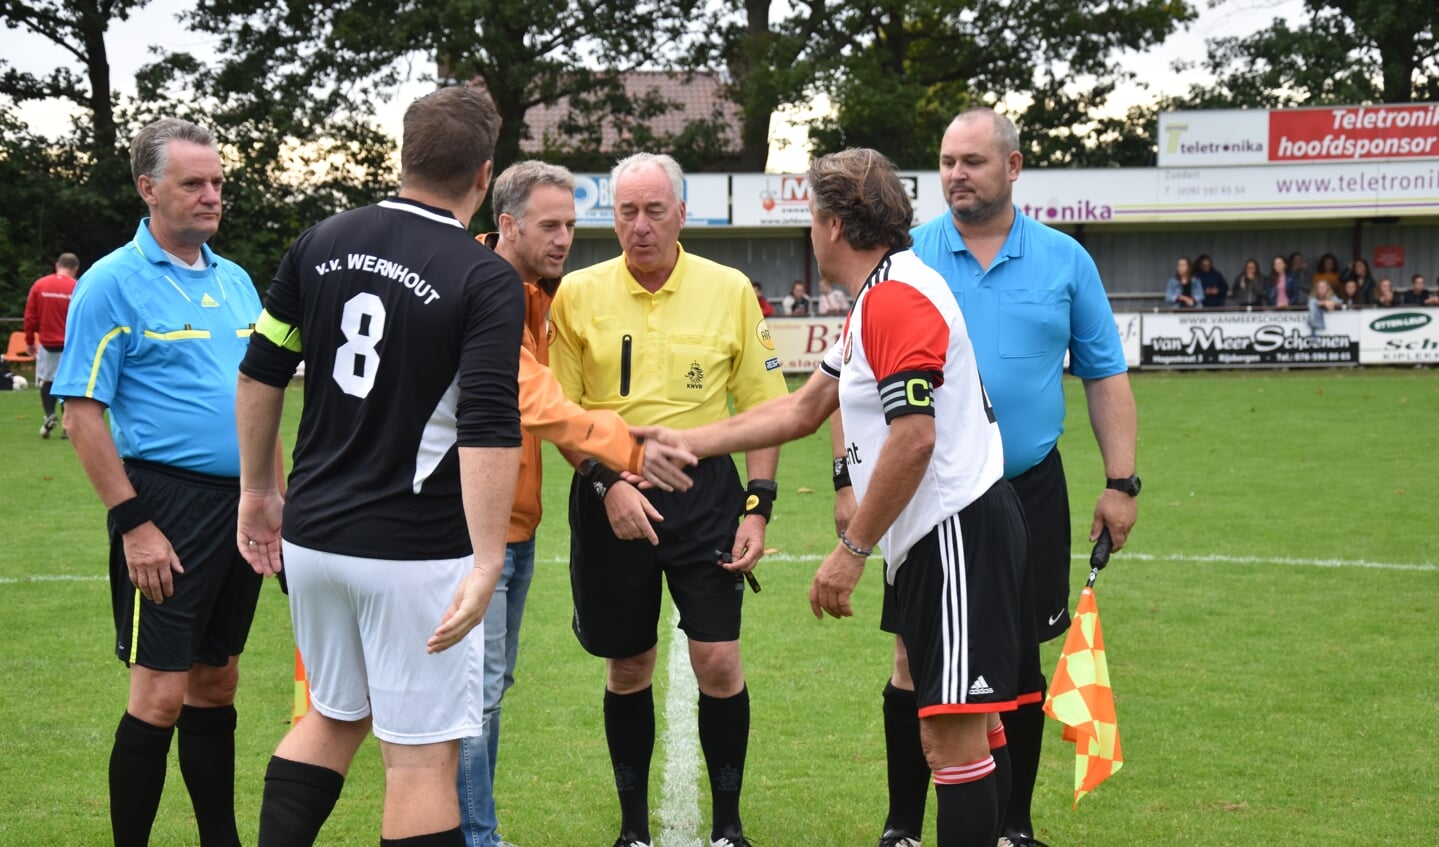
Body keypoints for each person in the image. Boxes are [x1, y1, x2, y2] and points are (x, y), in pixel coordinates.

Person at [636, 148, 1030, 847]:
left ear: (836, 226)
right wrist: (685, 442)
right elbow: (800, 411)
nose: (808, 231)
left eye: (812, 217)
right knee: (973, 728)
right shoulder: (872, 298)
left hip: (956, 534)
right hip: (938, 536)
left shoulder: (894, 298)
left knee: (954, 744)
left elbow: (914, 438)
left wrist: (849, 551)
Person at [234, 85, 525, 847]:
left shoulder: (318, 239)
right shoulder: (484, 273)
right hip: (413, 551)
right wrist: (490, 558)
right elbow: (491, 424)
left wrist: (258, 490)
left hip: (315, 537)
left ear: (405, 155)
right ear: (483, 174)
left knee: (332, 716)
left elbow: (260, 369)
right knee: (420, 763)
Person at [900, 108, 1139, 847]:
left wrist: (1120, 481)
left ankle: (1014, 824)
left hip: (1029, 484)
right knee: (915, 655)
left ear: (1012, 165)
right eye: (945, 161)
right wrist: (847, 478)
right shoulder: (907, 257)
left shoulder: (1065, 259)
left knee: (1023, 653)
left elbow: (1103, 373)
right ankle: (902, 825)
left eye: (970, 160)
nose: (954, 175)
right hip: (931, 491)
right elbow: (856, 378)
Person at [547, 152, 787, 847]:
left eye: (655, 210)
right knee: (628, 664)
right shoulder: (577, 294)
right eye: (627, 211)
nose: (641, 225)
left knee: (717, 660)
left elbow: (765, 407)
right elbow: (557, 411)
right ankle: (631, 830)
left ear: (682, 212)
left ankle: (729, 826)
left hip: (705, 494)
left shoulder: (728, 288)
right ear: (612, 216)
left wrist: (758, 504)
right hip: (608, 495)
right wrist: (608, 483)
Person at [458, 160, 698, 847]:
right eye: (550, 225)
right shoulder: (485, 290)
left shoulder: (536, 293)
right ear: (507, 224)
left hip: (516, 522)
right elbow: (535, 400)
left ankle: (473, 828)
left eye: (571, 223)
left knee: (487, 689)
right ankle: (475, 836)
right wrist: (627, 451)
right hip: (473, 527)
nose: (566, 238)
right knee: (471, 696)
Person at [49, 118, 264, 847]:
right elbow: (81, 415)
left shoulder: (235, 279)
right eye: (193, 183)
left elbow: (260, 395)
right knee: (160, 693)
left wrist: (271, 495)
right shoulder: (112, 282)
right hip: (165, 507)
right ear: (149, 188)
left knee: (218, 681)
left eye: (218, 184)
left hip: (240, 509)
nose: (212, 197)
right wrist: (135, 523)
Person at [23, 251, 80, 438]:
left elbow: (30, 316)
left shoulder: (40, 285)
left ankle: (49, 414)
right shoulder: (76, 286)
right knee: (68, 384)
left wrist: (30, 341)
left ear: (57, 265)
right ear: (75, 268)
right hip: (70, 344)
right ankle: (66, 427)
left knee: (48, 381)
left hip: (47, 343)